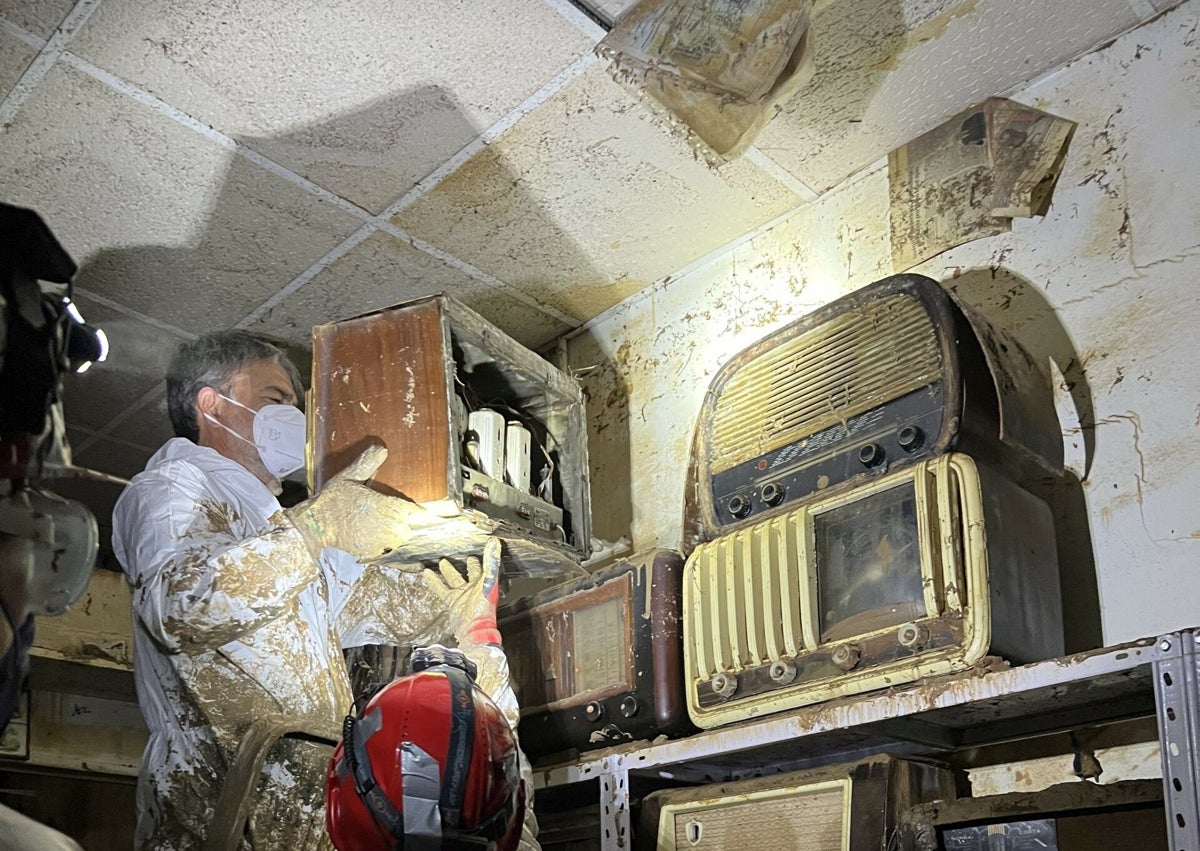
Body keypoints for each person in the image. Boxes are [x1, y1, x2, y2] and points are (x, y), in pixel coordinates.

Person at [112, 331, 536, 850]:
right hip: (219, 807)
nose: (293, 415)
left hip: (310, 806)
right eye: (275, 399)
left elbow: (369, 603)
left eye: (296, 403)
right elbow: (178, 609)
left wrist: (451, 598)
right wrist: (318, 526)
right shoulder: (173, 486)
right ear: (210, 402)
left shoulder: (278, 525)